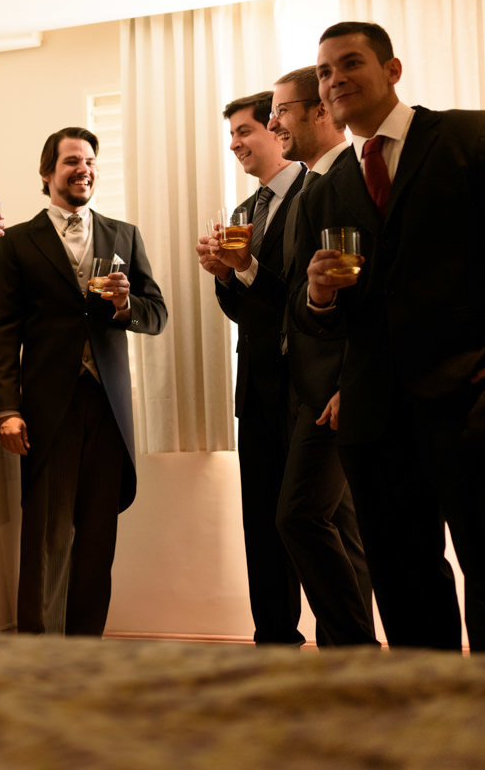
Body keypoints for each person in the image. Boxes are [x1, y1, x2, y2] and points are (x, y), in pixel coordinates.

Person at [296, 22, 485, 651]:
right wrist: (319, 295)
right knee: (403, 581)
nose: (335, 79)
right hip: (374, 420)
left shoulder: (474, 136)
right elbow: (322, 320)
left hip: (475, 396)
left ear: (392, 70)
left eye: (350, 63)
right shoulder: (326, 190)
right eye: (325, 72)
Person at [0, 127, 167, 636]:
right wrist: (8, 409)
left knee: (96, 537)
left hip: (109, 408)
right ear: (47, 172)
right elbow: (2, 332)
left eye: (89, 161)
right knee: (46, 535)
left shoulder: (124, 235)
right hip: (48, 408)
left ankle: (85, 647)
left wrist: (125, 305)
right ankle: (39, 651)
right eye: (71, 161)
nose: (83, 169)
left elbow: (156, 314)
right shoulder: (18, 242)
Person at [263, 66, 377, 647]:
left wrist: (351, 383)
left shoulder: (353, 180)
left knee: (299, 516)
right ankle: (347, 651)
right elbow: (301, 293)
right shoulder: (310, 186)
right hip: (309, 385)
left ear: (321, 111)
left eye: (281, 111)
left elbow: (373, 296)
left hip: (337, 389)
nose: (272, 124)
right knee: (336, 525)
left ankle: (355, 647)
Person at [195, 93, 306, 645]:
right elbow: (246, 311)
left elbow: (299, 300)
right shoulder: (242, 213)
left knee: (315, 523)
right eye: (231, 135)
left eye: (243, 131)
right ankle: (274, 640)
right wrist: (225, 274)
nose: (235, 144)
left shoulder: (316, 192)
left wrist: (248, 268)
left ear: (276, 128)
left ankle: (346, 640)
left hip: (307, 387)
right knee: (261, 523)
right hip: (256, 389)